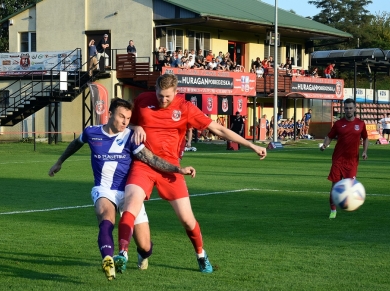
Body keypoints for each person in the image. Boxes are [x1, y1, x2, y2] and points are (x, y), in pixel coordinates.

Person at [116, 74, 267, 274]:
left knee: (187, 220)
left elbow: (217, 129)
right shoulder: (143, 100)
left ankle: (201, 255)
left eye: (167, 96)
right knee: (131, 204)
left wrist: (250, 145)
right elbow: (128, 122)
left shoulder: (185, 108)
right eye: (160, 95)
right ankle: (122, 254)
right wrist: (136, 126)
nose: (163, 100)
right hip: (143, 165)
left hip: (171, 170)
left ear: (176, 92)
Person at [48, 98, 196, 280]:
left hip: (130, 193)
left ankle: (144, 254)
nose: (125, 122)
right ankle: (108, 261)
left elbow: (152, 159)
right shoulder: (91, 132)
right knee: (106, 217)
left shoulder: (130, 137)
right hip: (104, 189)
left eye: (128, 118)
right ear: (110, 114)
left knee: (145, 245)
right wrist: (59, 162)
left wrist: (177, 169)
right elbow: (76, 143)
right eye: (121, 116)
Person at [320, 98, 368, 219]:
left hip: (352, 161)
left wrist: (365, 151)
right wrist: (325, 145)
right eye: (346, 108)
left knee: (350, 187)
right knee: (335, 186)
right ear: (344, 109)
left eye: (351, 108)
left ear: (355, 108)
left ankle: (349, 205)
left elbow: (366, 138)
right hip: (338, 160)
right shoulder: (338, 124)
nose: (349, 110)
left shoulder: (361, 124)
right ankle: (333, 210)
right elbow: (329, 136)